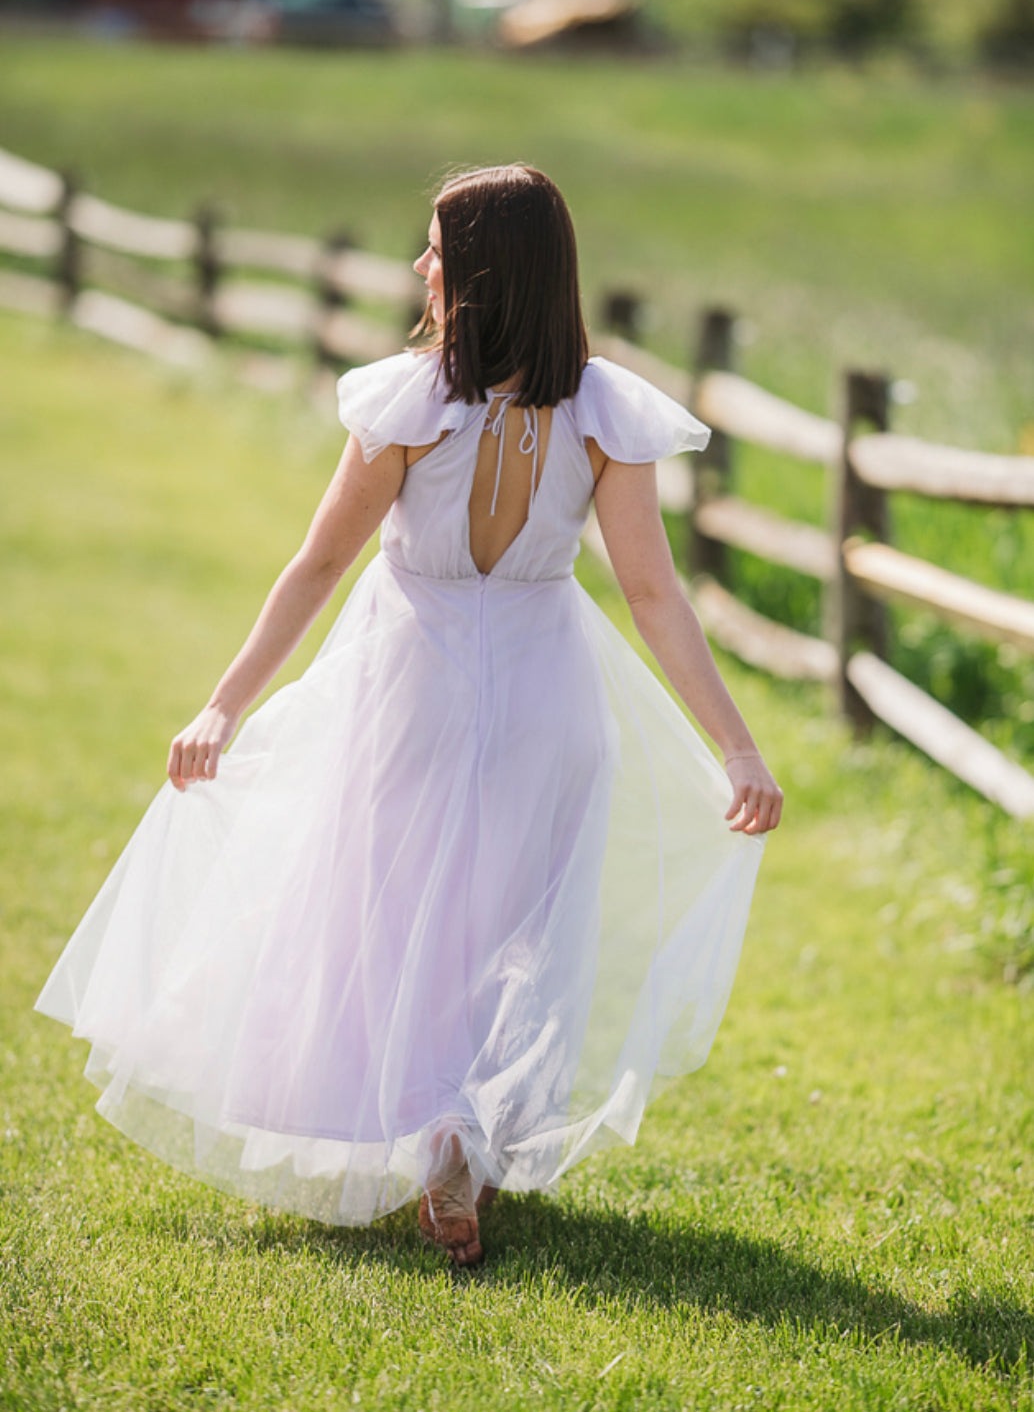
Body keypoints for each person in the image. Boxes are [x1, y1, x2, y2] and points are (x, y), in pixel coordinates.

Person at [36, 164, 781, 1268]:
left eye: (435, 248)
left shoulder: (407, 399)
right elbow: (653, 596)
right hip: (546, 687)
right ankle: (456, 1141)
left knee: (390, 912)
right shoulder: (599, 410)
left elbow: (318, 565)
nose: (418, 267)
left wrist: (223, 705)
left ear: (480, 271)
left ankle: (439, 1136)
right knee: (510, 928)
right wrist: (735, 744)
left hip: (412, 680)